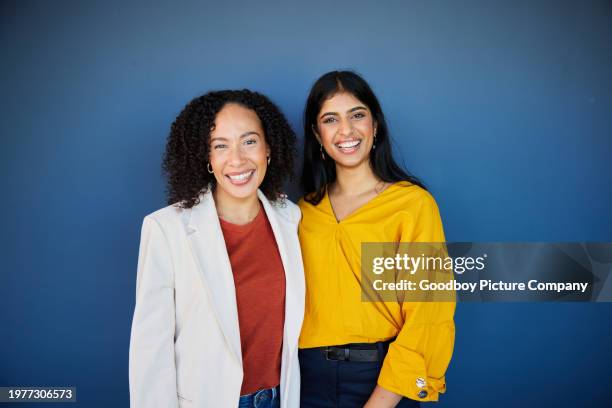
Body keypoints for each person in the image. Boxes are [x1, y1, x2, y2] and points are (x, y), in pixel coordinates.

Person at [129, 90, 304, 408]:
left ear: (268, 149)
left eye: (249, 141)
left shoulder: (290, 217)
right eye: (220, 146)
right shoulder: (167, 229)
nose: (237, 159)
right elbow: (150, 351)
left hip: (281, 398)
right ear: (206, 159)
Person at [298, 71, 455, 407]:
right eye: (330, 119)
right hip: (304, 380)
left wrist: (381, 401)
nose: (346, 130)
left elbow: (429, 313)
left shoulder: (411, 205)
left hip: (380, 380)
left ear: (376, 125)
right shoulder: (300, 213)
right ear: (317, 134)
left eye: (357, 115)